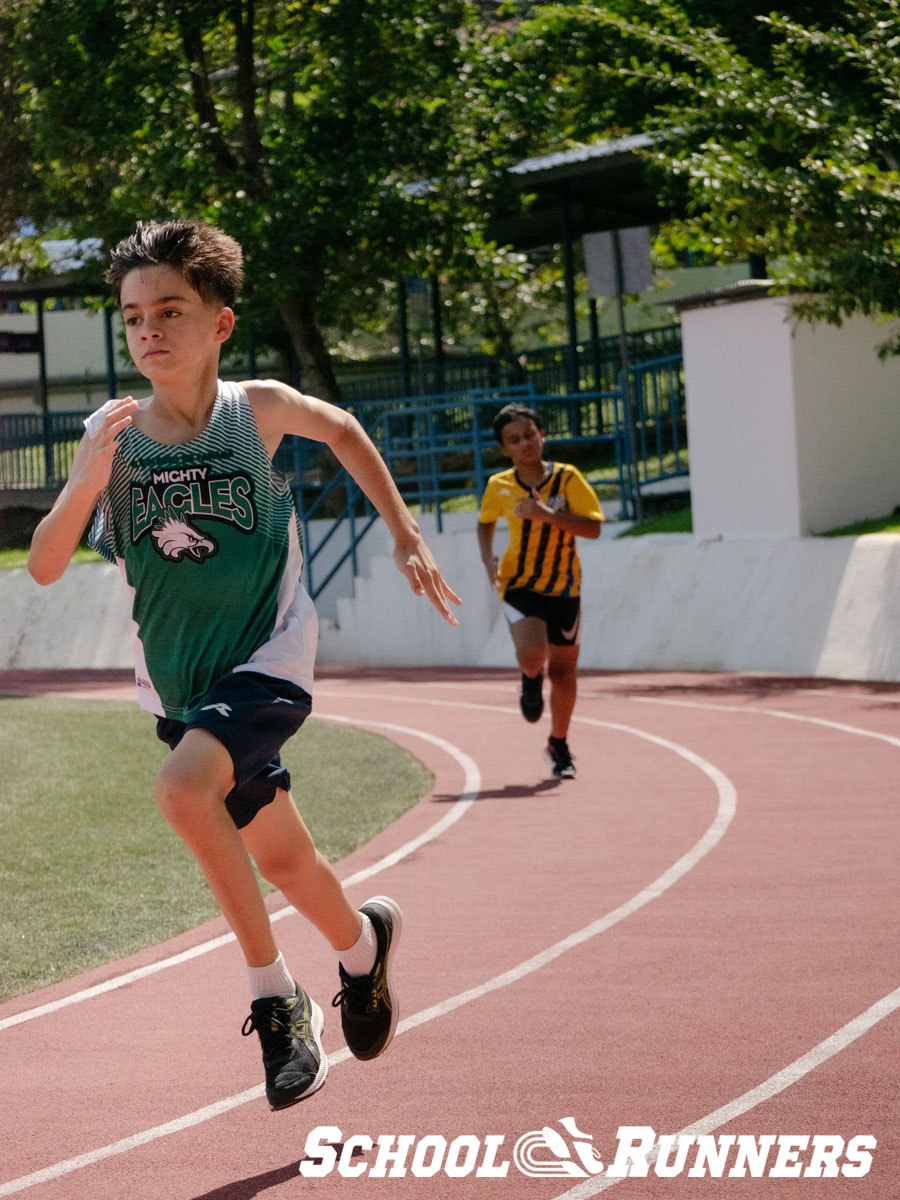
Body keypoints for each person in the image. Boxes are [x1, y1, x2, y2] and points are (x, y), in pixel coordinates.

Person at [28, 218, 461, 1111]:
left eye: (171, 310)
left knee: (185, 794)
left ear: (220, 322)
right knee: (287, 862)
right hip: (180, 687)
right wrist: (79, 479)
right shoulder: (111, 440)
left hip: (269, 659)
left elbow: (340, 428)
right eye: (134, 316)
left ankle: (278, 996)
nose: (150, 330)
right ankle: (362, 950)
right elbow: (42, 562)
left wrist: (405, 528)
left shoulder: (253, 411)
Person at [477, 402, 602, 780]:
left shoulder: (568, 479)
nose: (526, 444)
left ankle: (558, 744)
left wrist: (547, 515)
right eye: (515, 440)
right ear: (504, 449)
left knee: (564, 674)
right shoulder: (498, 485)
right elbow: (484, 523)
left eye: (531, 435)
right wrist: (487, 558)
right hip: (519, 584)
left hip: (565, 586)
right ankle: (530, 680)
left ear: (542, 435)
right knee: (533, 654)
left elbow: (594, 527)